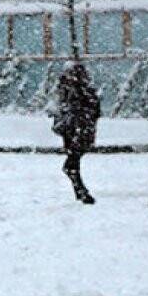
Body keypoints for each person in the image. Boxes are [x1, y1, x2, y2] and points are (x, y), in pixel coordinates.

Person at [53, 62, 102, 205]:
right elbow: (92, 109)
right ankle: (80, 190)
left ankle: (79, 189)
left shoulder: (73, 90)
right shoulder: (78, 91)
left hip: (77, 128)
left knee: (74, 157)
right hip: (78, 128)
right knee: (74, 157)